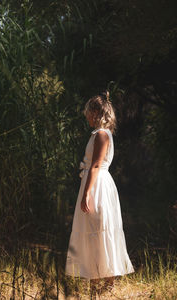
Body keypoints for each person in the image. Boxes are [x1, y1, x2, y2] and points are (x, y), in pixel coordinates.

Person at [65, 91, 135, 291]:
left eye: (88, 112)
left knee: (99, 228)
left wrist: (87, 192)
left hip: (98, 185)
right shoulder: (99, 135)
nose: (86, 116)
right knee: (92, 229)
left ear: (96, 112)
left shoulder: (102, 135)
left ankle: (107, 281)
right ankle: (95, 278)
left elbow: (95, 165)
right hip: (93, 181)